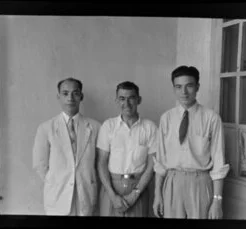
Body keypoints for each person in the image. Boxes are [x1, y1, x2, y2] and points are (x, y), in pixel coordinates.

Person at [153, 66, 229, 219]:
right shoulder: (166, 118)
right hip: (173, 182)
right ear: (174, 89)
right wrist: (157, 195)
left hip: (200, 182)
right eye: (178, 87)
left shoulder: (211, 118)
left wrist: (217, 202)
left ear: (197, 87)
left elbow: (219, 162)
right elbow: (160, 162)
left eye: (189, 85)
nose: (184, 92)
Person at [33, 78, 100, 216]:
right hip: (58, 195)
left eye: (75, 93)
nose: (70, 98)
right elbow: (40, 164)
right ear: (58, 97)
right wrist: (56, 182)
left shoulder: (95, 127)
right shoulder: (46, 128)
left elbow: (99, 163)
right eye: (65, 93)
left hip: (86, 194)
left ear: (81, 96)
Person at [97, 81, 157, 217]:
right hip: (111, 187)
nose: (127, 103)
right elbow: (101, 163)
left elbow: (151, 166)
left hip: (139, 187)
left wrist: (135, 194)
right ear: (116, 101)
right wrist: (112, 196)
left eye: (131, 98)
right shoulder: (108, 126)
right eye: (122, 99)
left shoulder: (150, 127)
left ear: (139, 100)